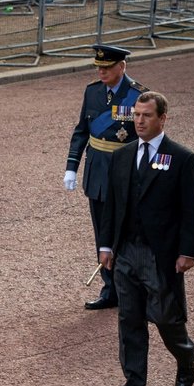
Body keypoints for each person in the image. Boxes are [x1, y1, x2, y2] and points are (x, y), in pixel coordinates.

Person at [98, 92, 194, 386]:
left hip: (161, 256)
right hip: (127, 252)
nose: (139, 122)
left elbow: (193, 211)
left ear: (163, 119)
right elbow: (112, 206)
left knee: (165, 318)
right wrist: (106, 245)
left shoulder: (182, 158)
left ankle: (184, 353)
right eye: (136, 116)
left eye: (146, 116)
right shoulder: (122, 156)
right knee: (129, 319)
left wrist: (188, 252)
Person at [64, 44, 147, 311]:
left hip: (125, 176)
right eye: (99, 67)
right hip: (98, 173)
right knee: (103, 234)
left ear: (121, 67)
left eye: (107, 67)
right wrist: (72, 166)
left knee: (127, 235)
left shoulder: (138, 96)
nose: (101, 71)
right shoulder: (92, 92)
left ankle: (131, 291)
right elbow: (81, 131)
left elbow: (146, 140)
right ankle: (110, 289)